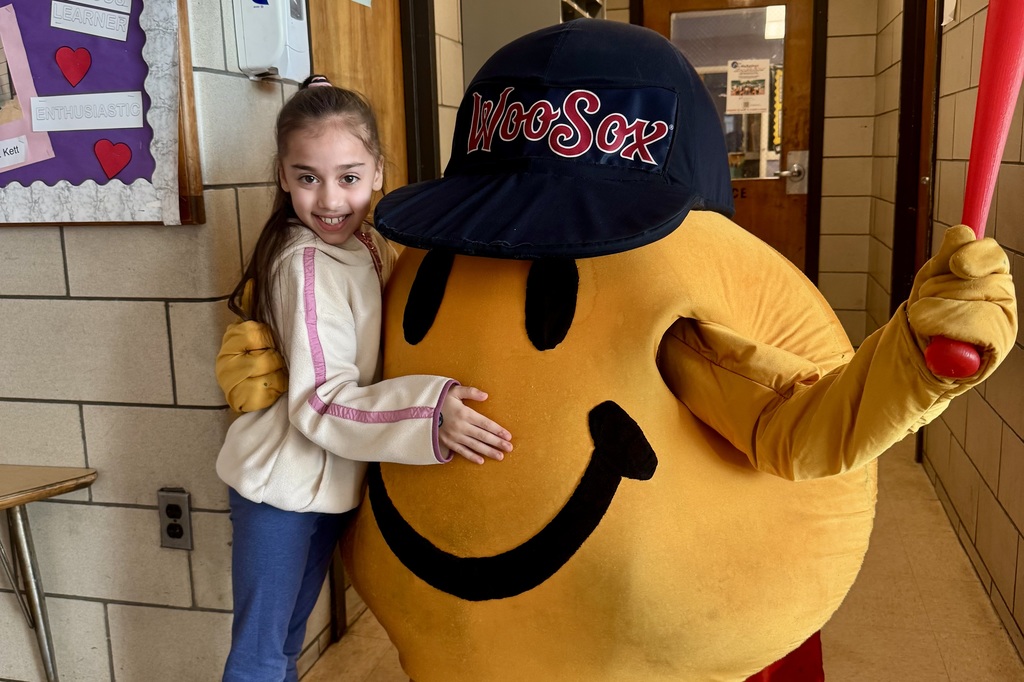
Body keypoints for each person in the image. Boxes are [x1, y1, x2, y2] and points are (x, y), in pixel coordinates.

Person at [215, 74, 513, 682]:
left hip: (331, 481)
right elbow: (321, 402)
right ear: (282, 176)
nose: (329, 200)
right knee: (260, 655)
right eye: (307, 178)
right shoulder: (304, 262)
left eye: (348, 177)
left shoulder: (371, 244)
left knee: (284, 643)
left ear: (377, 171)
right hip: (280, 490)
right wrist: (430, 412)